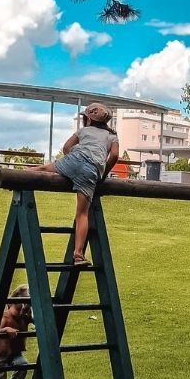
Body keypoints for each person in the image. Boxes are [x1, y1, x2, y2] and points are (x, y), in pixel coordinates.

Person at [35, 102, 119, 267]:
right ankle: (78, 254)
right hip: (91, 171)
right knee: (82, 214)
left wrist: (71, 161)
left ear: (88, 119)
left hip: (74, 160)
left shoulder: (83, 131)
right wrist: (103, 172)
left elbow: (66, 147)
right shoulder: (112, 136)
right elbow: (114, 155)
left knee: (45, 168)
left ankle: (16, 177)